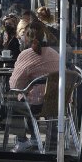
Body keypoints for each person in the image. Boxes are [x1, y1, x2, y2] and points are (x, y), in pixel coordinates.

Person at [9, 22, 60, 152]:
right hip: (57, 101)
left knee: (12, 99)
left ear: (27, 37)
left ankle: (22, 140)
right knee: (26, 97)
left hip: (37, 102)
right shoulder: (55, 54)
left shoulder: (27, 54)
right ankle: (37, 138)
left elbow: (15, 85)